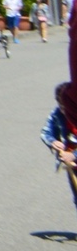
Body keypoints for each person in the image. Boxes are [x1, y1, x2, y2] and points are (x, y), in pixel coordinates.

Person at [44, 82, 77, 213]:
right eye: (61, 105)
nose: (64, 109)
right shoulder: (58, 113)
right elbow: (46, 131)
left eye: (66, 105)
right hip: (71, 164)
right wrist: (52, 141)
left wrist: (73, 155)